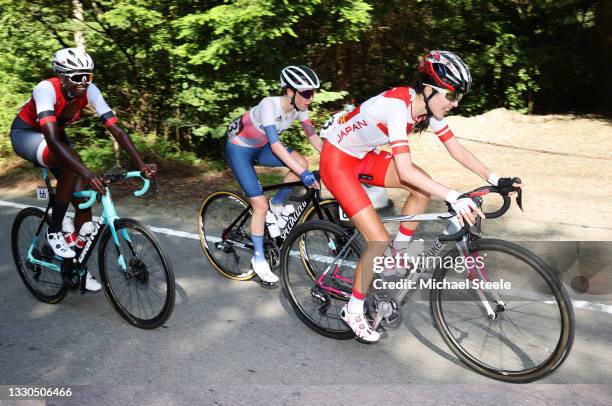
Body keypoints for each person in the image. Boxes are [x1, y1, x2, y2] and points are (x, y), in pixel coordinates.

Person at [319, 50, 522, 342]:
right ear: (428, 90)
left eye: (458, 98)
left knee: (421, 186)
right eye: (451, 96)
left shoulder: (425, 109)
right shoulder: (397, 108)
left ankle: (397, 255)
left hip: (362, 155)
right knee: (377, 239)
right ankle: (353, 310)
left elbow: (457, 149)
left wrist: (494, 179)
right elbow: (404, 169)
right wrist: (453, 196)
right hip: (337, 160)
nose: (455, 104)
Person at [10, 48, 156, 291]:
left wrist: (140, 163)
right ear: (62, 76)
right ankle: (55, 231)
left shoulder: (90, 91)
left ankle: (75, 265)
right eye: (77, 77)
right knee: (74, 166)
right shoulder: (46, 88)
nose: (84, 82)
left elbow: (116, 129)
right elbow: (54, 140)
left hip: (55, 136)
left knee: (83, 200)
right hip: (28, 134)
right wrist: (87, 172)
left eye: (88, 76)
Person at [225, 65, 323, 284]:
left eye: (313, 92)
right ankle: (258, 259)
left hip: (261, 147)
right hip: (239, 148)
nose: (311, 98)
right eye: (307, 93)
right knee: (259, 205)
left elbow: (314, 138)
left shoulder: (300, 107)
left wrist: (335, 159)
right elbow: (277, 147)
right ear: (290, 91)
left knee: (301, 161)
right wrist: (304, 175)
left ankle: (277, 205)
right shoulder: (268, 105)